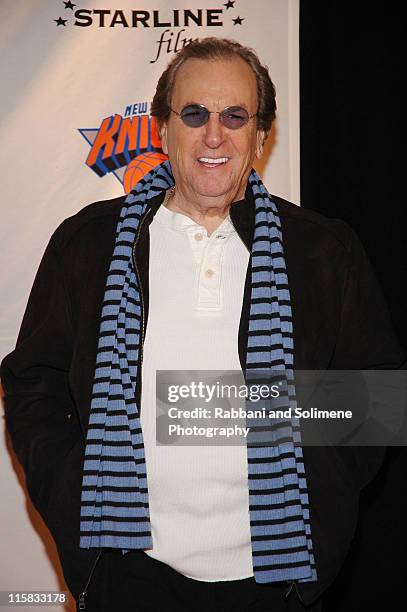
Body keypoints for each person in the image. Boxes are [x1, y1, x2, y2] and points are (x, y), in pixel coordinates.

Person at [1, 37, 405, 612]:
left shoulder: (323, 250)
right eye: (194, 114)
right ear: (163, 131)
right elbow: (33, 381)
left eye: (235, 116)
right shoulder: (87, 241)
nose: (214, 134)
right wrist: (72, 494)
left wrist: (257, 422)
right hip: (127, 573)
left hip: (278, 578)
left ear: (260, 136)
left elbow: (378, 400)